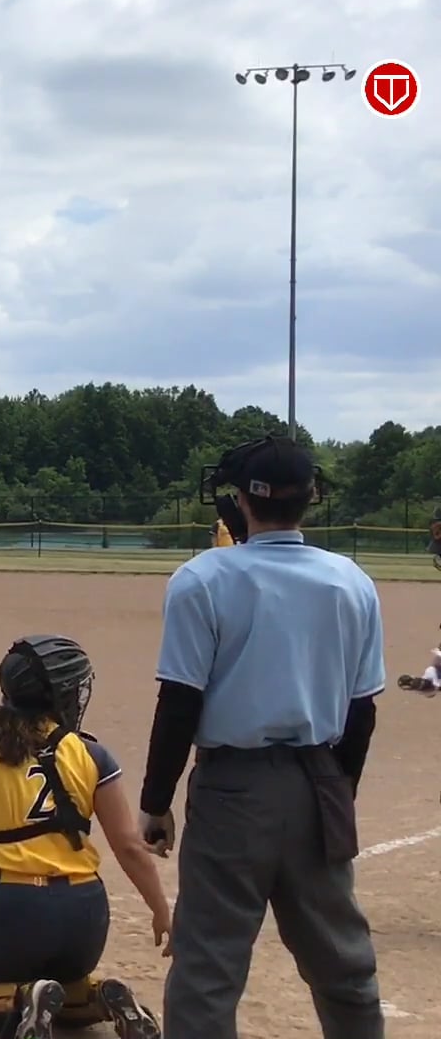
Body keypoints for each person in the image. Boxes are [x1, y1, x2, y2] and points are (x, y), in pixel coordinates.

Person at [138, 433, 384, 1038]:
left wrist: (156, 801)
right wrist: (337, 793)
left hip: (232, 788)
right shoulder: (350, 581)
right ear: (311, 498)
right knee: (344, 967)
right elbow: (361, 712)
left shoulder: (203, 579)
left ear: (241, 502)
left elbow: (180, 703)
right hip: (320, 779)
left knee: (207, 971)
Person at [0, 635, 169, 1039]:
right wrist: (161, 910)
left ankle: (27, 997)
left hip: (19, 907)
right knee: (68, 987)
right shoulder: (91, 753)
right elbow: (129, 846)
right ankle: (98, 995)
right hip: (86, 911)